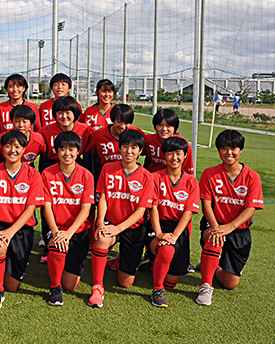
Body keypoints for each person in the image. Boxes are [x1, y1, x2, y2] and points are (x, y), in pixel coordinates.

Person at [88, 129, 155, 308]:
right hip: (110, 223)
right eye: (125, 146)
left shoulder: (147, 176)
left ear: (140, 151)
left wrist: (119, 229)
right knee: (102, 238)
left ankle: (120, 260)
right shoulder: (108, 168)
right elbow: (102, 198)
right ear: (119, 148)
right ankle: (97, 287)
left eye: (134, 147)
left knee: (125, 283)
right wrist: (100, 222)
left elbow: (141, 211)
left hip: (133, 228)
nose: (129, 151)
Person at [196, 129, 263, 306]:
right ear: (219, 150)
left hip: (239, 230)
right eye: (224, 148)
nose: (229, 153)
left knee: (230, 284)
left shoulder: (252, 177)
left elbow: (250, 209)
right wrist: (217, 226)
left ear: (241, 150)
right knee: (214, 237)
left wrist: (230, 227)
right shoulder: (210, 174)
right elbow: (206, 205)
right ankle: (206, 285)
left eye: (233, 148)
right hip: (214, 224)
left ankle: (211, 268)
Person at [0, 130, 44, 309]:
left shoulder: (33, 174)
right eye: (8, 146)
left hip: (21, 228)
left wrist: (10, 232)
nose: (12, 150)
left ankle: (7, 269)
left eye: (17, 146)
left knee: (13, 286)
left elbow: (30, 209)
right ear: (2, 148)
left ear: (24, 149)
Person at [41, 131, 94, 306]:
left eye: (71, 149)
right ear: (56, 151)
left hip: (77, 231)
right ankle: (55, 287)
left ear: (78, 151)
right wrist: (56, 232)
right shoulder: (47, 174)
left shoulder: (86, 175)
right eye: (62, 149)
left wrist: (69, 233)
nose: (67, 153)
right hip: (56, 228)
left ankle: (60, 263)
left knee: (71, 285)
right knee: (57, 246)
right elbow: (46, 206)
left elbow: (86, 209)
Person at [148, 136, 200, 307]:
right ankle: (157, 290)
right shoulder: (155, 177)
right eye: (170, 154)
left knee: (172, 281)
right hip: (158, 225)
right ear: (164, 156)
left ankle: (153, 265)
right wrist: (159, 234)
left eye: (178, 153)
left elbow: (188, 212)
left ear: (185, 155)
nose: (174, 158)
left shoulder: (192, 181)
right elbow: (153, 208)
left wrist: (176, 235)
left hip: (178, 229)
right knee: (167, 250)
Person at [39, 96, 90, 172]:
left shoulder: (86, 130)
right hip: (50, 165)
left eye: (68, 113)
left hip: (74, 164)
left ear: (75, 112)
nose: (64, 116)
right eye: (60, 113)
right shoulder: (44, 132)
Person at [143, 108, 194, 175]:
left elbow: (188, 172)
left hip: (172, 180)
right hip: (151, 176)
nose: (164, 129)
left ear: (175, 127)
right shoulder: (147, 140)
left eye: (168, 126)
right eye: (160, 125)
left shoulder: (183, 145)